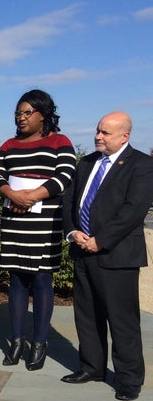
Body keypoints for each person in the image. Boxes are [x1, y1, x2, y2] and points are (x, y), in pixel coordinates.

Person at [61, 111, 153, 401]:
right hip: (81, 249)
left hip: (117, 255)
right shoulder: (86, 163)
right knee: (86, 316)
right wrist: (73, 232)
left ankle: (128, 379)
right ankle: (92, 367)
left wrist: (100, 240)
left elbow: (133, 209)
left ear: (125, 136)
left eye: (106, 133)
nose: (98, 136)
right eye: (98, 131)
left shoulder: (142, 165)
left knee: (122, 320)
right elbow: (69, 202)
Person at [0, 90, 76, 370]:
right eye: (18, 112)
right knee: (16, 281)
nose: (21, 117)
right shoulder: (9, 144)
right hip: (14, 222)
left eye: (27, 112)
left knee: (41, 281)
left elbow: (64, 175)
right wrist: (12, 195)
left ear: (44, 115)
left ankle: (39, 343)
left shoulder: (60, 142)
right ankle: (16, 341)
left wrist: (32, 195)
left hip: (44, 225)